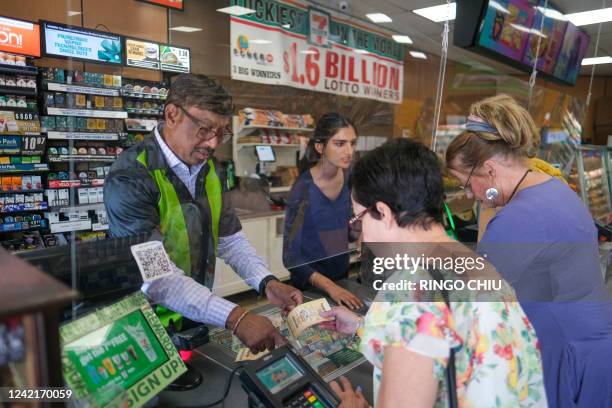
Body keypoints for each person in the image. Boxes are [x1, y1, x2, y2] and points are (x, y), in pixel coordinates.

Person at [320, 138, 546, 407]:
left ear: (383, 212)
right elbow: (453, 341)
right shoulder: (475, 264)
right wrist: (362, 326)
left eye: (359, 220)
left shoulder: (412, 291)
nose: (362, 236)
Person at [105, 74, 303, 353]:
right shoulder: (131, 175)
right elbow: (155, 275)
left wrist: (266, 282)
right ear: (172, 114)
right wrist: (237, 316)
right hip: (142, 328)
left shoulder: (210, 170)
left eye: (221, 132)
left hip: (194, 320)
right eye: (204, 129)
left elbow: (229, 240)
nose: (212, 143)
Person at [445, 94, 612, 407]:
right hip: (594, 345)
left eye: (466, 183)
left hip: (567, 356)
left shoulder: (518, 218)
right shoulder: (554, 188)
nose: (469, 194)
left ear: (489, 169)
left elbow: (473, 298)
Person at [283, 113, 363, 309]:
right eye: (340, 143)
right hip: (310, 288)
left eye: (352, 143)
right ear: (320, 147)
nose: (349, 151)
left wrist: (361, 230)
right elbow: (290, 258)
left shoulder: (349, 176)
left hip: (342, 280)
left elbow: (349, 229)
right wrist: (330, 288)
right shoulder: (303, 189)